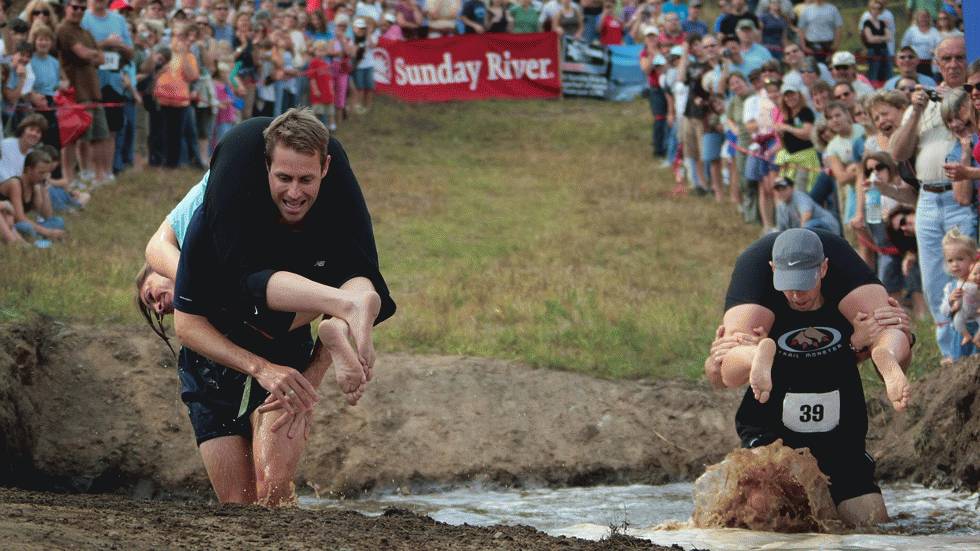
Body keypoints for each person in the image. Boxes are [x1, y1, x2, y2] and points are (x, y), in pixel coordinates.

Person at [170, 110, 395, 505]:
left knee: (273, 496)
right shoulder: (209, 221)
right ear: (266, 169)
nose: (295, 192)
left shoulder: (328, 216)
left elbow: (360, 265)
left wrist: (311, 374)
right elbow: (187, 327)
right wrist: (261, 369)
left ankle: (346, 311)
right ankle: (344, 306)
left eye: (306, 179)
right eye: (284, 179)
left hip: (283, 342)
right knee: (237, 504)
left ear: (326, 168)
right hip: (216, 357)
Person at [706, 228, 913, 526]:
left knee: (872, 521)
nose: (796, 295)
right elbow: (721, 376)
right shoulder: (756, 282)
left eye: (805, 285)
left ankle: (886, 357)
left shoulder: (846, 275)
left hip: (839, 424)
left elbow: (893, 331)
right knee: (762, 512)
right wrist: (722, 361)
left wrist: (871, 347)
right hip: (771, 421)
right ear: (773, 270)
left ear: (824, 268)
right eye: (788, 286)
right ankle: (756, 357)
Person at [890, 36, 972, 364]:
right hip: (926, 198)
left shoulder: (973, 99)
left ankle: (969, 351)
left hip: (960, 197)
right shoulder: (923, 102)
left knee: (964, 272)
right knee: (934, 276)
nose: (953, 64)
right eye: (946, 59)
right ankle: (948, 357)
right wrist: (916, 111)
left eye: (959, 58)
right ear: (936, 64)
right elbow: (896, 152)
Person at [56, 0, 106, 187]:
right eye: (74, 7)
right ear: (66, 7)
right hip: (74, 92)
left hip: (92, 89)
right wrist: (91, 54)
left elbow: (100, 59)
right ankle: (72, 177)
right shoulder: (64, 29)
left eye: (82, 8)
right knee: (74, 139)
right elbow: (83, 54)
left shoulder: (85, 32)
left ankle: (91, 174)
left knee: (96, 136)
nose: (78, 11)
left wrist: (90, 53)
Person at [939, 229, 980, 349]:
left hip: (977, 321)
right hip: (962, 329)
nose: (954, 264)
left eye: (960, 259)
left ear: (973, 260)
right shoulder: (951, 287)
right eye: (950, 260)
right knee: (962, 359)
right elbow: (945, 311)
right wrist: (951, 300)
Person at [773, 177, 840, 234]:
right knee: (773, 233)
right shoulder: (780, 206)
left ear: (792, 188)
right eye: (778, 190)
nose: (781, 193)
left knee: (807, 226)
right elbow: (781, 229)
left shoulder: (799, 196)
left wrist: (799, 236)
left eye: (783, 189)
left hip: (829, 228)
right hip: (813, 230)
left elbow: (807, 214)